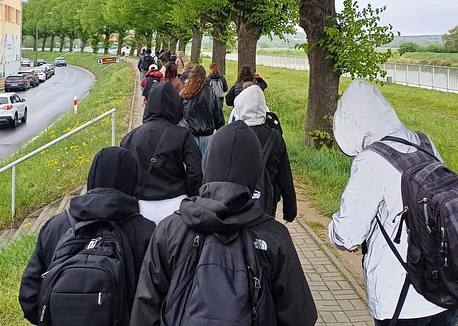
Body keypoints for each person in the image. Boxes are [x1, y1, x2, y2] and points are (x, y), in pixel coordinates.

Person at [129, 121, 318, 326]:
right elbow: (299, 316)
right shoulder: (275, 237)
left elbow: (145, 308)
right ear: (255, 173)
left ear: (207, 164)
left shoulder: (170, 229)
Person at [328, 80, 458, 326]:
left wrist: (336, 230)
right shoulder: (423, 142)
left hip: (403, 299)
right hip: (447, 290)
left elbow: (347, 235)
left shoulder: (371, 159)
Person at [19, 147, 155, 325]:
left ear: (92, 177)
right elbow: (155, 300)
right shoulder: (146, 231)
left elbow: (29, 295)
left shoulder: (55, 226)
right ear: (133, 182)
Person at [121, 82, 202, 225]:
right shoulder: (182, 135)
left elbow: (124, 175)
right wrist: (192, 196)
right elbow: (195, 172)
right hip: (176, 204)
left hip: (141, 206)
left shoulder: (129, 138)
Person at [233, 84, 297, 222]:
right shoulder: (275, 137)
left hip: (237, 203)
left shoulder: (233, 134)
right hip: (266, 201)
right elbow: (285, 174)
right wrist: (290, 210)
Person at [181, 64, 224, 158]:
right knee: (206, 162)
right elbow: (217, 112)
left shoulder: (185, 92)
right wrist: (220, 127)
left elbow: (180, 113)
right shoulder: (210, 92)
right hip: (206, 133)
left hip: (190, 132)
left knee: (191, 162)